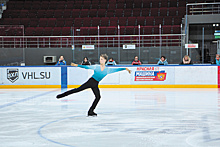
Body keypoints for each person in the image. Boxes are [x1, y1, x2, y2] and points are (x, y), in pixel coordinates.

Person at [56, 54, 131, 116]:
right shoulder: (96, 67)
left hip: (95, 84)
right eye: (100, 59)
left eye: (102, 59)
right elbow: (86, 67)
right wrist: (77, 65)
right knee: (77, 89)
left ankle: (91, 111)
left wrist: (125, 69)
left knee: (98, 97)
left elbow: (116, 70)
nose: (100, 60)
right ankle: (62, 95)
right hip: (90, 82)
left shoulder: (108, 70)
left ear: (105, 60)